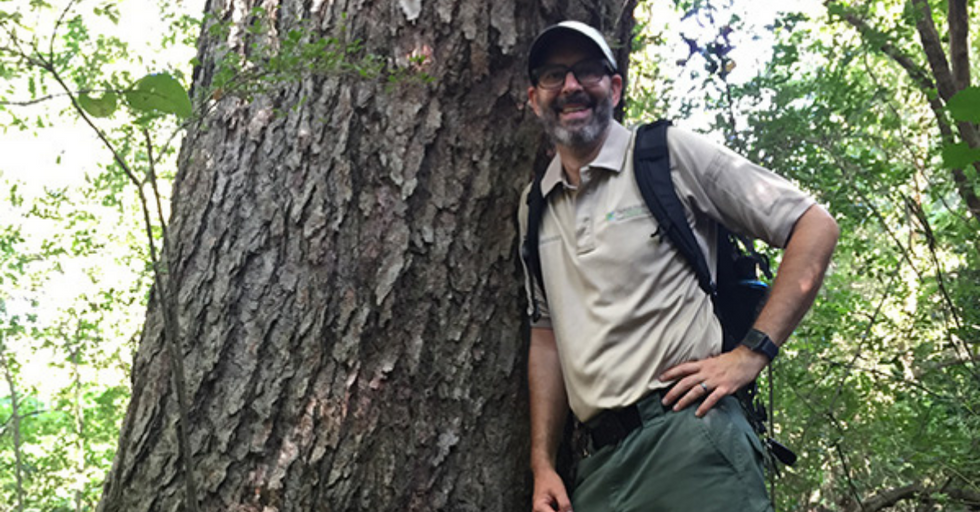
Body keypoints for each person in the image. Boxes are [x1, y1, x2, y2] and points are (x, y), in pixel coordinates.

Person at [519, 21, 839, 512]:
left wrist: (752, 354)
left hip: (691, 440)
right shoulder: (535, 206)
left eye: (587, 71)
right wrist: (542, 462)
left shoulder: (664, 155)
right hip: (601, 471)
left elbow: (814, 225)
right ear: (534, 98)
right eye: (553, 75)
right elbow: (546, 337)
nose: (571, 86)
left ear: (615, 87)